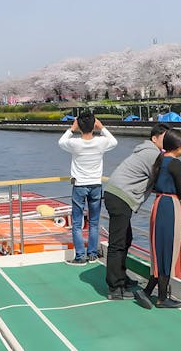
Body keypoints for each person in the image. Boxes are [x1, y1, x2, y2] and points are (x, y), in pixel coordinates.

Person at [134, 129, 181, 309]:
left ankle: (149, 292)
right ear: (179, 146)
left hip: (159, 204)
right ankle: (161, 298)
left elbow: (161, 183)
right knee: (168, 250)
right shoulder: (175, 162)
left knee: (160, 250)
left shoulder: (160, 159)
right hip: (170, 206)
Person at [103, 123, 170, 300]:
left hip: (116, 194)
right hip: (121, 197)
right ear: (154, 138)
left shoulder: (145, 150)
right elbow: (161, 181)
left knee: (126, 238)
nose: (168, 141)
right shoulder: (153, 154)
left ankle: (121, 277)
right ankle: (115, 288)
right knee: (118, 243)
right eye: (165, 137)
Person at [58, 112, 118, 266]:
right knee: (94, 222)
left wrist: (72, 129)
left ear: (78, 126)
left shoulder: (74, 144)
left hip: (79, 186)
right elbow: (114, 141)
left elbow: (61, 142)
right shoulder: (101, 142)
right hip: (96, 185)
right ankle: (92, 254)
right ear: (94, 125)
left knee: (77, 223)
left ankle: (80, 256)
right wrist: (102, 127)